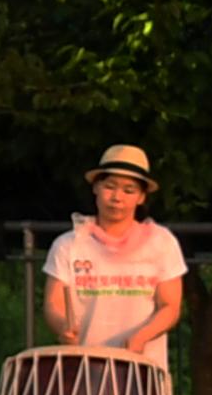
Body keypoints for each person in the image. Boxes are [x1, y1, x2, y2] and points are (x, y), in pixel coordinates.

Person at [45, 143, 184, 364]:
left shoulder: (162, 242)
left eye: (128, 190)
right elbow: (53, 303)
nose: (117, 197)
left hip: (143, 366)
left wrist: (141, 337)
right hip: (83, 363)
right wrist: (63, 327)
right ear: (96, 188)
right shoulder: (68, 244)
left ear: (141, 197)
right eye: (110, 186)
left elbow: (170, 306)